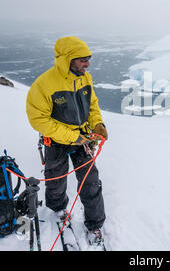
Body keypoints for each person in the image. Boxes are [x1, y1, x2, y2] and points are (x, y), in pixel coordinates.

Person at [26, 36, 108, 247]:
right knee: (56, 180)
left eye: (88, 58)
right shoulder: (44, 84)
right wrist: (73, 137)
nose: (87, 63)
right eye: (82, 59)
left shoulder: (85, 78)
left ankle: (95, 224)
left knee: (91, 182)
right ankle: (59, 209)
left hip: (83, 138)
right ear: (67, 59)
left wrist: (98, 124)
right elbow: (39, 120)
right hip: (57, 142)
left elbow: (92, 105)